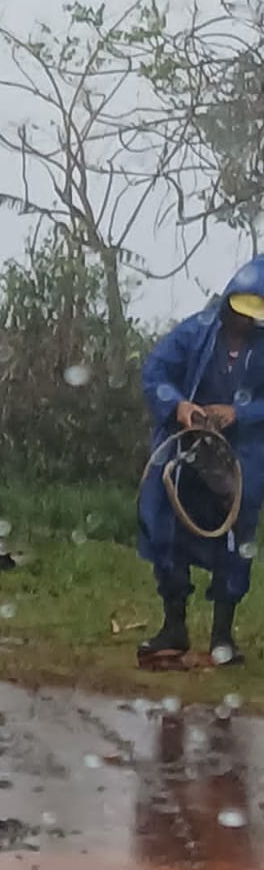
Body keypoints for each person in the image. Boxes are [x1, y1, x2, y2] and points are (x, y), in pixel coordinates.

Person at [138, 256, 264, 665]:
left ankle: (222, 639)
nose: (246, 323)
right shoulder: (194, 333)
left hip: (241, 456)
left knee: (235, 540)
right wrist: (179, 407)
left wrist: (238, 413)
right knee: (166, 527)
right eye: (242, 312)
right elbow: (155, 372)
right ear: (229, 301)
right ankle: (173, 628)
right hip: (184, 448)